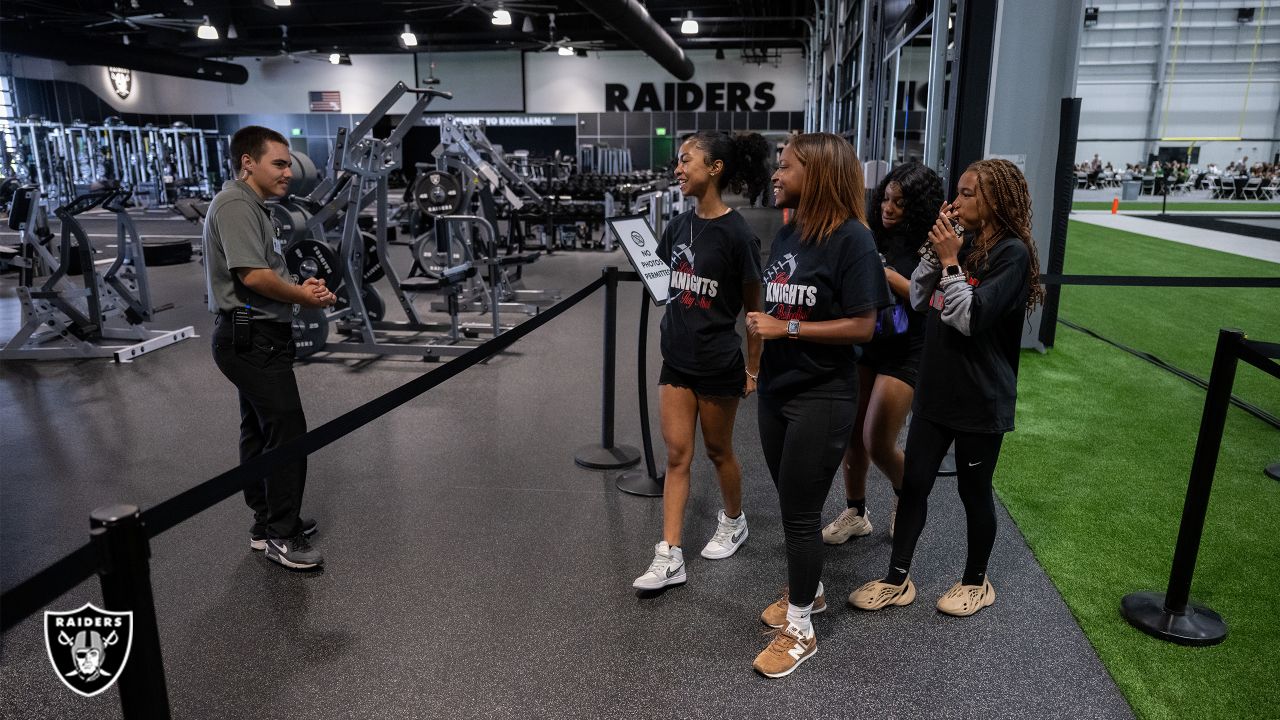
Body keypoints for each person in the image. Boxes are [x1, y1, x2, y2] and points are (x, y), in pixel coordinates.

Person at [849, 158, 1045, 618]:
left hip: (980, 397)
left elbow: (969, 318)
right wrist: (936, 253)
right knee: (914, 485)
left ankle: (977, 581)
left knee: (974, 492)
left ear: (995, 200)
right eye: (957, 192)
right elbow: (919, 299)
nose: (955, 202)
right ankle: (897, 580)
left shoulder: (1012, 253)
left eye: (968, 193)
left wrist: (952, 259)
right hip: (936, 389)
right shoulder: (964, 241)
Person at [744, 133, 891, 678]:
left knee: (802, 517)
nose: (776, 175)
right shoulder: (790, 233)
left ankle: (801, 626)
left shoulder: (852, 239)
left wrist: (790, 328)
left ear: (820, 173)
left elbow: (865, 325)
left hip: (822, 395)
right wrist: (759, 363)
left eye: (786, 167)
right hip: (778, 392)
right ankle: (816, 591)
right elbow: (776, 306)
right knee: (790, 506)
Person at [632, 131, 772, 591]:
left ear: (714, 168)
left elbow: (755, 310)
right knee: (677, 455)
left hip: (717, 361)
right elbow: (663, 284)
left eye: (686, 160)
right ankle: (670, 554)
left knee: (717, 451)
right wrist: (642, 258)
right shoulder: (676, 226)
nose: (677, 168)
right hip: (676, 357)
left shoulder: (738, 235)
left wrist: (753, 368)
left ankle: (734, 519)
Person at [205, 125, 336, 571]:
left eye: (288, 164)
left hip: (252, 330)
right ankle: (282, 534)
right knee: (287, 431)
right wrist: (305, 297)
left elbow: (266, 273)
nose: (288, 172)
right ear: (248, 163)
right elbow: (254, 278)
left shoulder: (253, 206)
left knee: (261, 429)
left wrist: (303, 286)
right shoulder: (236, 205)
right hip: (249, 334)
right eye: (279, 163)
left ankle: (267, 523)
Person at [821, 162, 943, 546]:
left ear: (918, 206)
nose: (888, 208)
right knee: (852, 437)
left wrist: (887, 274)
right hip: (868, 343)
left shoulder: (934, 243)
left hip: (908, 349)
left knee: (877, 440)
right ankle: (856, 512)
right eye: (886, 199)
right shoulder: (871, 235)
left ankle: (907, 497)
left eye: (899, 203)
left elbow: (935, 301)